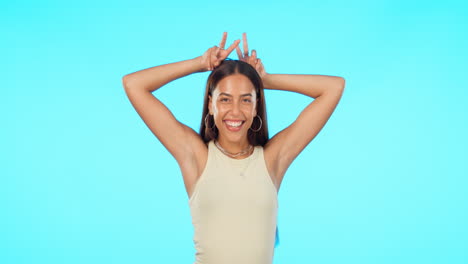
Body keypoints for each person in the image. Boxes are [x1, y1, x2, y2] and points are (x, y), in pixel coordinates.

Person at [122, 32, 345, 264]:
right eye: (225, 99)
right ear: (211, 104)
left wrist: (265, 80)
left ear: (257, 105)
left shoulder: (272, 159)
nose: (235, 111)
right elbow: (134, 84)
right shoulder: (196, 157)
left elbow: (334, 88)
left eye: (246, 99)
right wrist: (199, 64)